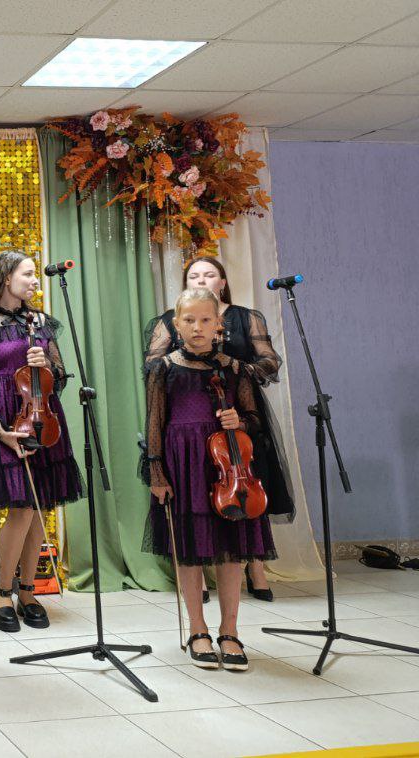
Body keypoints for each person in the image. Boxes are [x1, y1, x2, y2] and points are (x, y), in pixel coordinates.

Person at [145, 255, 294, 602]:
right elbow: (153, 369)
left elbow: (269, 361)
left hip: (234, 415)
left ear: (222, 282)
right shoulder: (170, 332)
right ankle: (197, 583)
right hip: (187, 422)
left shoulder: (243, 319)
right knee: (194, 505)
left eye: (209, 274)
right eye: (194, 275)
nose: (201, 279)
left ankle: (255, 571)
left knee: (246, 494)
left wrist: (238, 372)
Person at [143, 288, 277, 672]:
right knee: (190, 549)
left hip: (227, 468)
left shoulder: (235, 369)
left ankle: (229, 630)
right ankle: (197, 628)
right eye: (189, 320)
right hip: (183, 462)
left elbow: (254, 420)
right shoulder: (163, 368)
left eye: (205, 320)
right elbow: (155, 423)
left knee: (231, 549)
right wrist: (156, 472)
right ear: (176, 324)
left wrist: (240, 421)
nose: (197, 327)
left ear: (219, 324)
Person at [0, 251, 81, 632]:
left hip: (42, 419)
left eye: (34, 275)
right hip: (4, 423)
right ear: (6, 277)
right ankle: (2, 592)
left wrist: (46, 365)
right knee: (21, 508)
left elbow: (59, 376)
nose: (34, 281)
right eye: (27, 274)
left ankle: (28, 591)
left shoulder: (41, 322)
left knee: (39, 506)